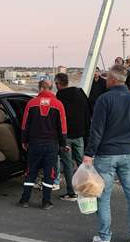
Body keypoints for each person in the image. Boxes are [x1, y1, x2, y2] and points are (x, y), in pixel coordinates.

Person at [83, 64, 130, 242]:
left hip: (106, 155)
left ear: (113, 79)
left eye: (107, 78)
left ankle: (105, 237)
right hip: (127, 154)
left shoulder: (104, 100)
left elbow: (96, 130)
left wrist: (89, 154)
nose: (105, 81)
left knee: (103, 197)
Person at [19, 79, 68, 210]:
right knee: (49, 173)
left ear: (40, 88)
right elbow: (62, 127)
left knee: (31, 172)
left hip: (34, 144)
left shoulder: (31, 103)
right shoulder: (58, 104)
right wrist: (64, 143)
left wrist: (24, 141)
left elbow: (25, 125)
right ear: (52, 89)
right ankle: (46, 202)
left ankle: (25, 200)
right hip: (51, 145)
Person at [55, 73, 91, 201]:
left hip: (66, 137)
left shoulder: (59, 98)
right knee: (82, 162)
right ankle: (86, 188)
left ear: (58, 84)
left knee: (68, 164)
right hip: (80, 134)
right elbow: (88, 113)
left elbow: (57, 119)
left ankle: (72, 193)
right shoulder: (80, 93)